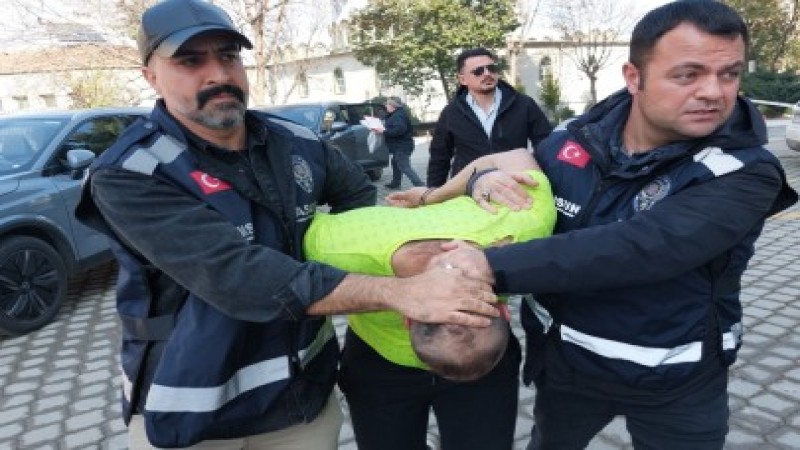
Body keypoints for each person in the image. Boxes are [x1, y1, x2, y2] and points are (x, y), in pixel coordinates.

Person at [74, 1, 499, 448]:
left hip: (299, 403)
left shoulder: (298, 143)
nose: (218, 74)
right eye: (190, 61)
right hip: (192, 412)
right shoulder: (130, 172)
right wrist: (399, 292)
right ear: (151, 77)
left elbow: (362, 210)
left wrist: (463, 196)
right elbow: (237, 276)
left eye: (228, 56)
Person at [416, 2, 799, 449]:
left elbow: (644, 247)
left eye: (729, 74)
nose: (714, 91)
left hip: (676, 382)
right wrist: (484, 177)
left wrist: (486, 264)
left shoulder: (744, 170)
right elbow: (525, 168)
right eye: (688, 74)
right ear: (634, 77)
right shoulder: (577, 137)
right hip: (567, 369)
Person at [305, 148, 556, 450]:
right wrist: (447, 191)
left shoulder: (334, 245)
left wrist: (448, 190)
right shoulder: (524, 224)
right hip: (380, 369)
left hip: (474, 367)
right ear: (502, 309)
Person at [426, 47, 553, 187]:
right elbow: (439, 158)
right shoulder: (451, 113)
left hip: (516, 187)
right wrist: (432, 194)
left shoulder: (523, 104)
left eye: (491, 68)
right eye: (478, 71)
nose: (487, 74)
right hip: (468, 191)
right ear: (463, 79)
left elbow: (547, 146)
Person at [371, 96, 425, 189]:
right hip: (400, 145)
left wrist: (383, 131)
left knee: (404, 166)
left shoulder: (398, 115)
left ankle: (420, 185)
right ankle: (395, 183)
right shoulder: (396, 114)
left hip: (402, 146)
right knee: (395, 163)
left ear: (392, 105)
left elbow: (399, 130)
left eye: (387, 104)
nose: (386, 106)